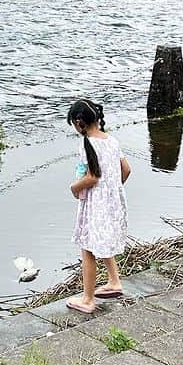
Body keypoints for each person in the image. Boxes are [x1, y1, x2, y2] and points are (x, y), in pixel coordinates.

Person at [65, 99, 130, 314]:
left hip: (96, 205)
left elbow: (92, 177)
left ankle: (87, 299)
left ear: (79, 122)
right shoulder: (111, 140)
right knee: (100, 241)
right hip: (113, 203)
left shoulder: (88, 144)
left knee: (88, 248)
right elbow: (126, 169)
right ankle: (114, 281)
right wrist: (112, 189)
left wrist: (74, 188)